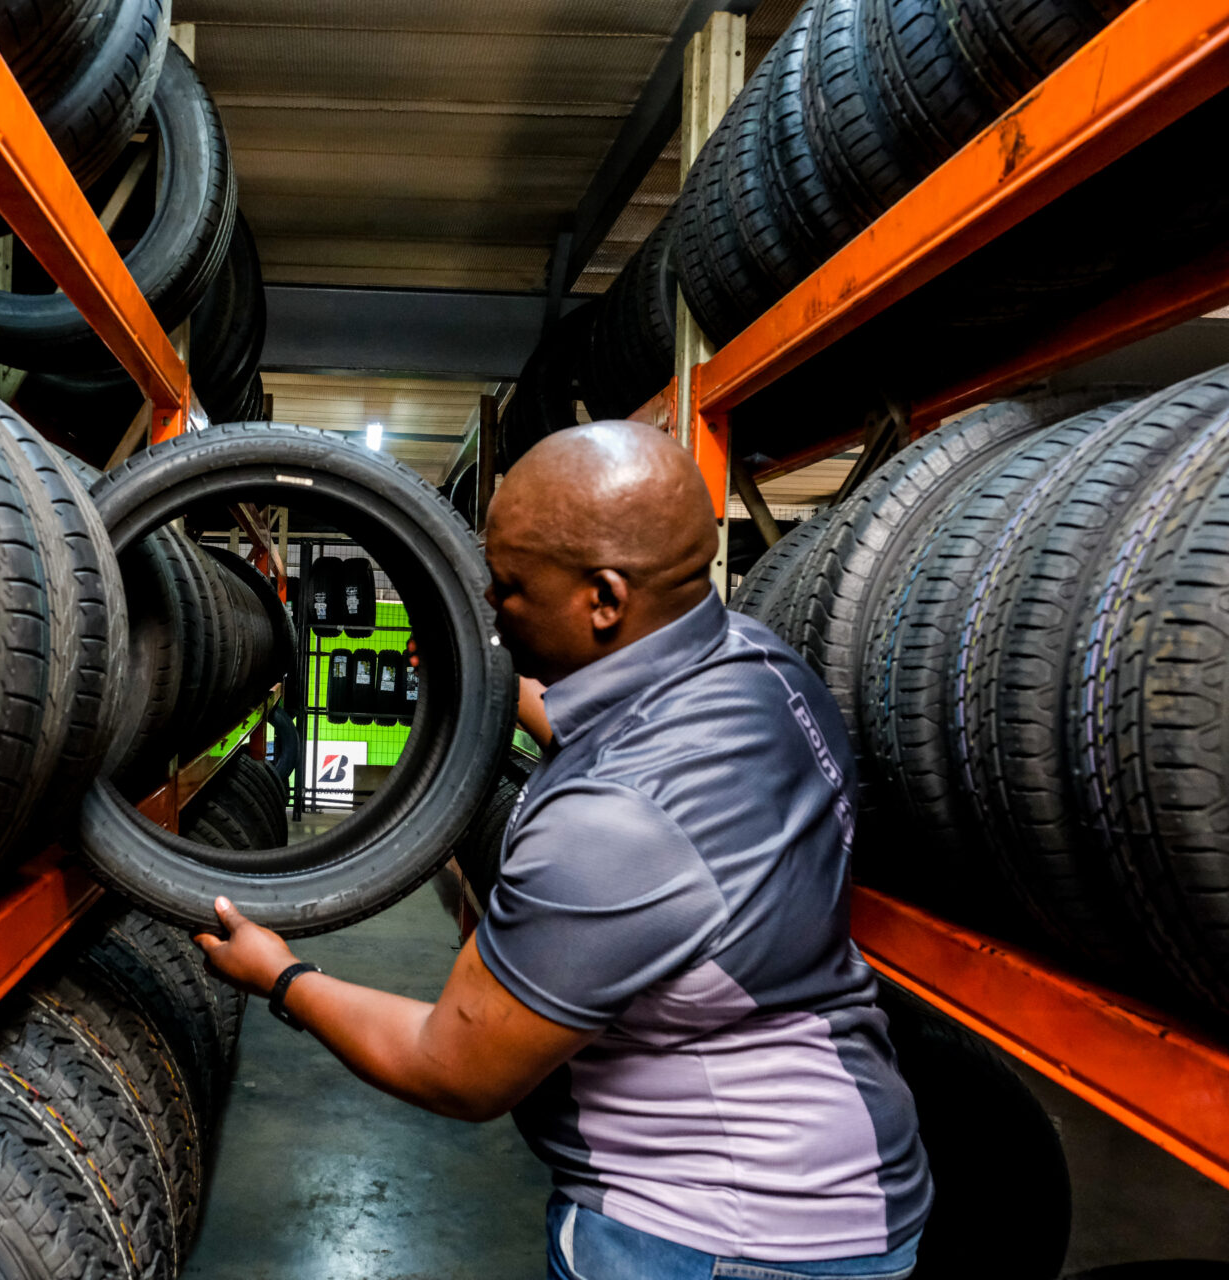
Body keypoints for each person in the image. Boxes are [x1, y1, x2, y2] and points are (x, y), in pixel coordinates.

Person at [195, 422, 931, 1279]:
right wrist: (493, 682)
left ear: (605, 600)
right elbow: (615, 736)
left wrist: (282, 976)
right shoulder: (759, 666)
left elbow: (453, 1067)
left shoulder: (612, 827)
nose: (490, 605)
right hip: (843, 1179)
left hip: (711, 1236)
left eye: (509, 588)